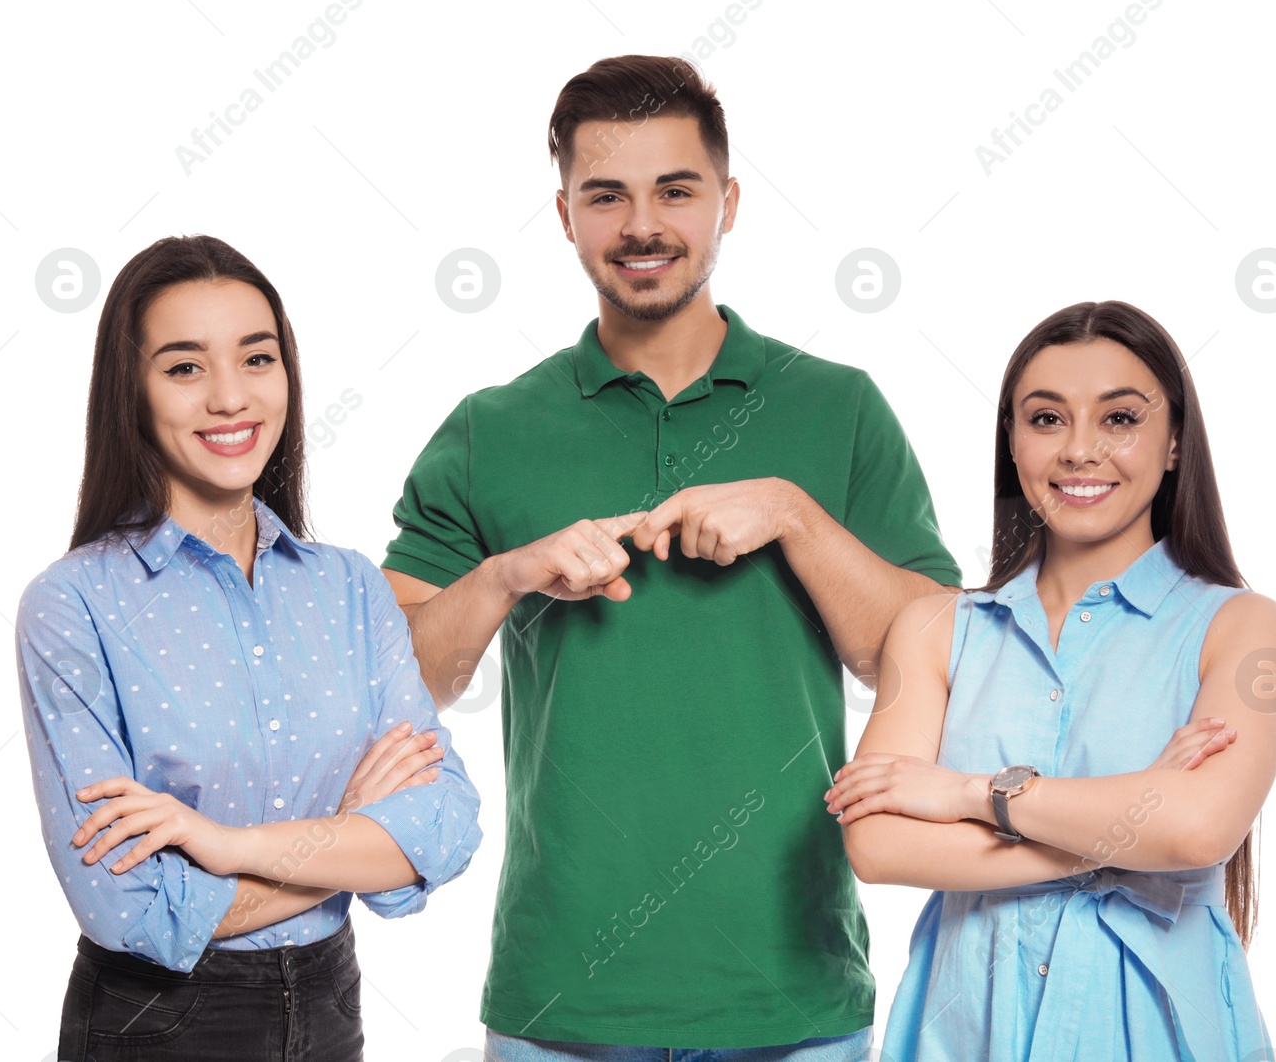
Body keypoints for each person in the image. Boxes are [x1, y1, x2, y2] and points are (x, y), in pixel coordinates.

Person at [381, 55, 962, 1057]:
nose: (640, 224)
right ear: (563, 214)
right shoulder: (490, 428)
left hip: (793, 994)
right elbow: (404, 679)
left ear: (727, 203)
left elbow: (920, 660)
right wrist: (508, 573)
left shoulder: (839, 408)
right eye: (605, 195)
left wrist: (793, 515)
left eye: (674, 191)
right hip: (561, 1000)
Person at [15, 234, 482, 1062]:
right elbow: (133, 910)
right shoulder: (73, 605)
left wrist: (226, 846)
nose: (231, 397)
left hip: (331, 1004)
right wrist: (350, 836)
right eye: (185, 366)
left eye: (257, 358)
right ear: (133, 393)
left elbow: (443, 828)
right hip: (156, 1024)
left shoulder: (349, 588)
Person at [825, 300, 1276, 1060]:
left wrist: (971, 795)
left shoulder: (1244, 627)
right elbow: (878, 846)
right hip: (968, 1026)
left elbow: (1200, 828)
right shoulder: (936, 629)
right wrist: (1126, 834)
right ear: (1012, 442)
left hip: (1155, 1029)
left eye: (1119, 419)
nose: (1079, 450)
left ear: (1174, 442)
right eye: (1045, 419)